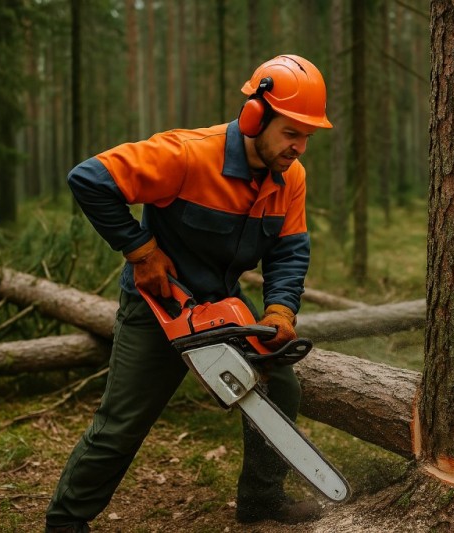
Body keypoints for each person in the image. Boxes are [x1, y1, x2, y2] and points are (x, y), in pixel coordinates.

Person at [45, 54, 332, 532]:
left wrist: (281, 309)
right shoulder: (187, 154)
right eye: (291, 132)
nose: (300, 147)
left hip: (226, 307)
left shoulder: (290, 179)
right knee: (121, 425)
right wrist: (140, 250)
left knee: (281, 385)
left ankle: (261, 500)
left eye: (307, 136)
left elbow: (289, 251)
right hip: (159, 307)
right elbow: (90, 179)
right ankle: (66, 521)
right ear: (255, 117)